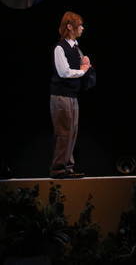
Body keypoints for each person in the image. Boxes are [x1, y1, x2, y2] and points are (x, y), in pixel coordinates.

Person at [49, 11, 92, 178]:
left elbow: (82, 67)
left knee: (72, 132)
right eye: (79, 25)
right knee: (63, 132)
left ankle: (68, 167)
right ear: (69, 26)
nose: (82, 28)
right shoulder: (60, 48)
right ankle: (58, 169)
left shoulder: (76, 48)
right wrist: (82, 70)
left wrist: (85, 64)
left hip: (72, 96)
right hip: (61, 96)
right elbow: (64, 72)